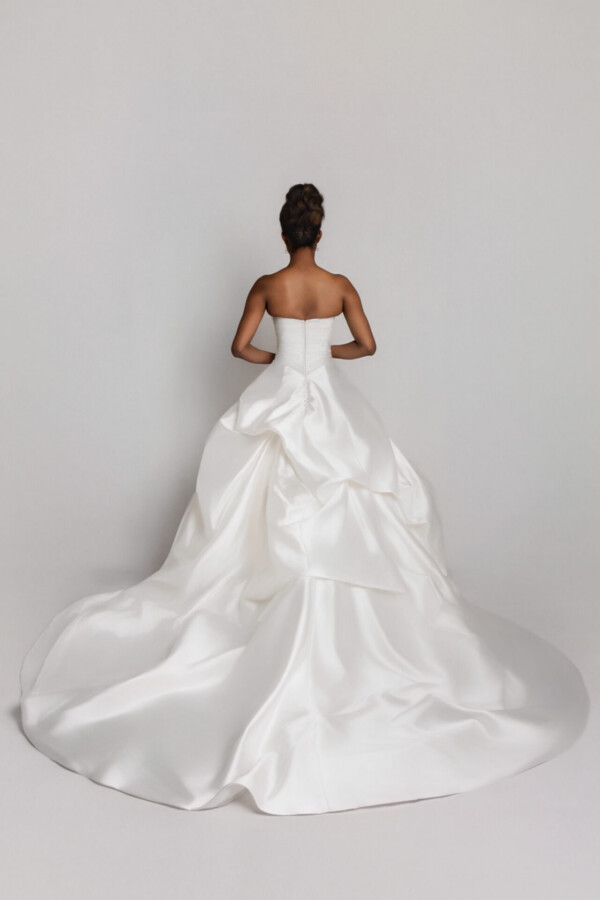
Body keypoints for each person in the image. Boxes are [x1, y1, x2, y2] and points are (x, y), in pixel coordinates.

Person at [20, 183, 589, 816]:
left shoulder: (267, 284)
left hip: (280, 394)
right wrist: (324, 358)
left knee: (252, 505)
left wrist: (283, 363)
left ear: (284, 230)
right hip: (331, 403)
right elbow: (367, 345)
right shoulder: (340, 284)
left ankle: (262, 611)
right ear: (320, 231)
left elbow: (239, 348)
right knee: (358, 492)